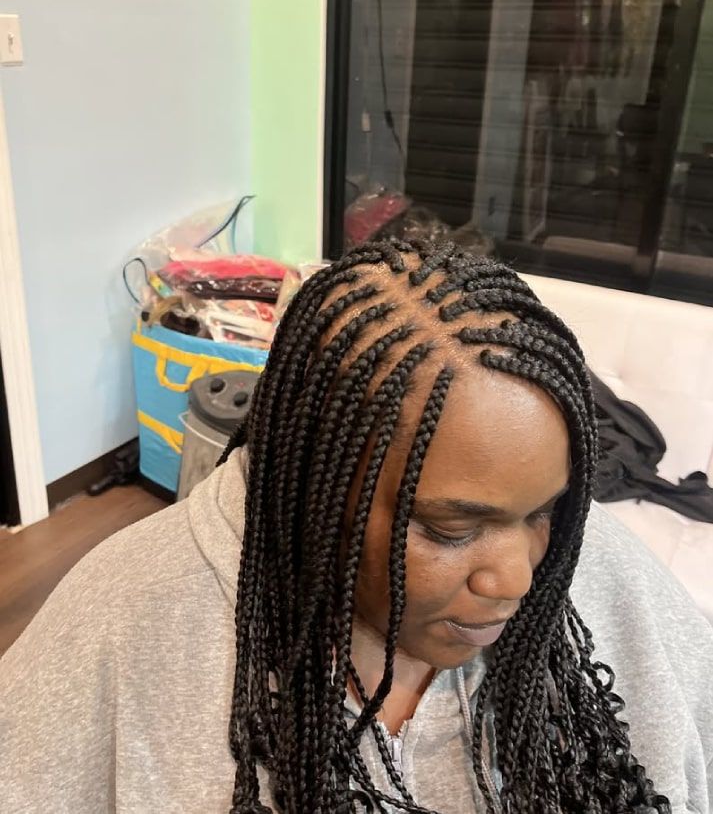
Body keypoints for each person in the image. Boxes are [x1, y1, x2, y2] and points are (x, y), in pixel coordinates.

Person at [1, 240, 711, 814]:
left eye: (543, 511)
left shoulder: (603, 567)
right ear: (316, 488)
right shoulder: (124, 620)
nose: (517, 578)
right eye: (451, 528)